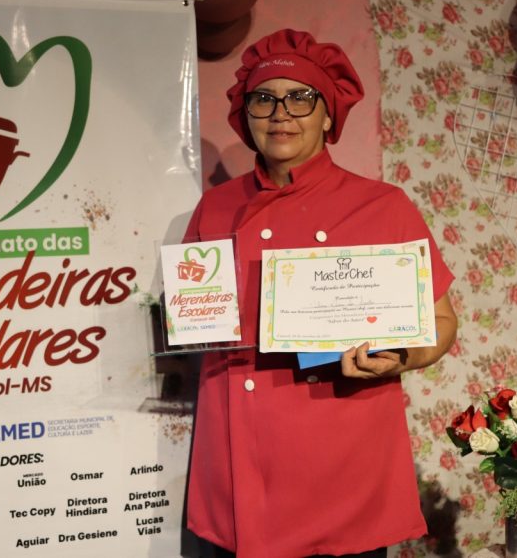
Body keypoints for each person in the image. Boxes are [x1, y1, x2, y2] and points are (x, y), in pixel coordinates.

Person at [184, 29, 458, 558]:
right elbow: (196, 317)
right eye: (264, 98)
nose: (280, 113)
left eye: (300, 97)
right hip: (237, 468)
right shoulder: (214, 208)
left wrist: (399, 357)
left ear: (328, 115)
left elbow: (443, 323)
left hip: (339, 472)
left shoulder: (382, 206)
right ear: (246, 116)